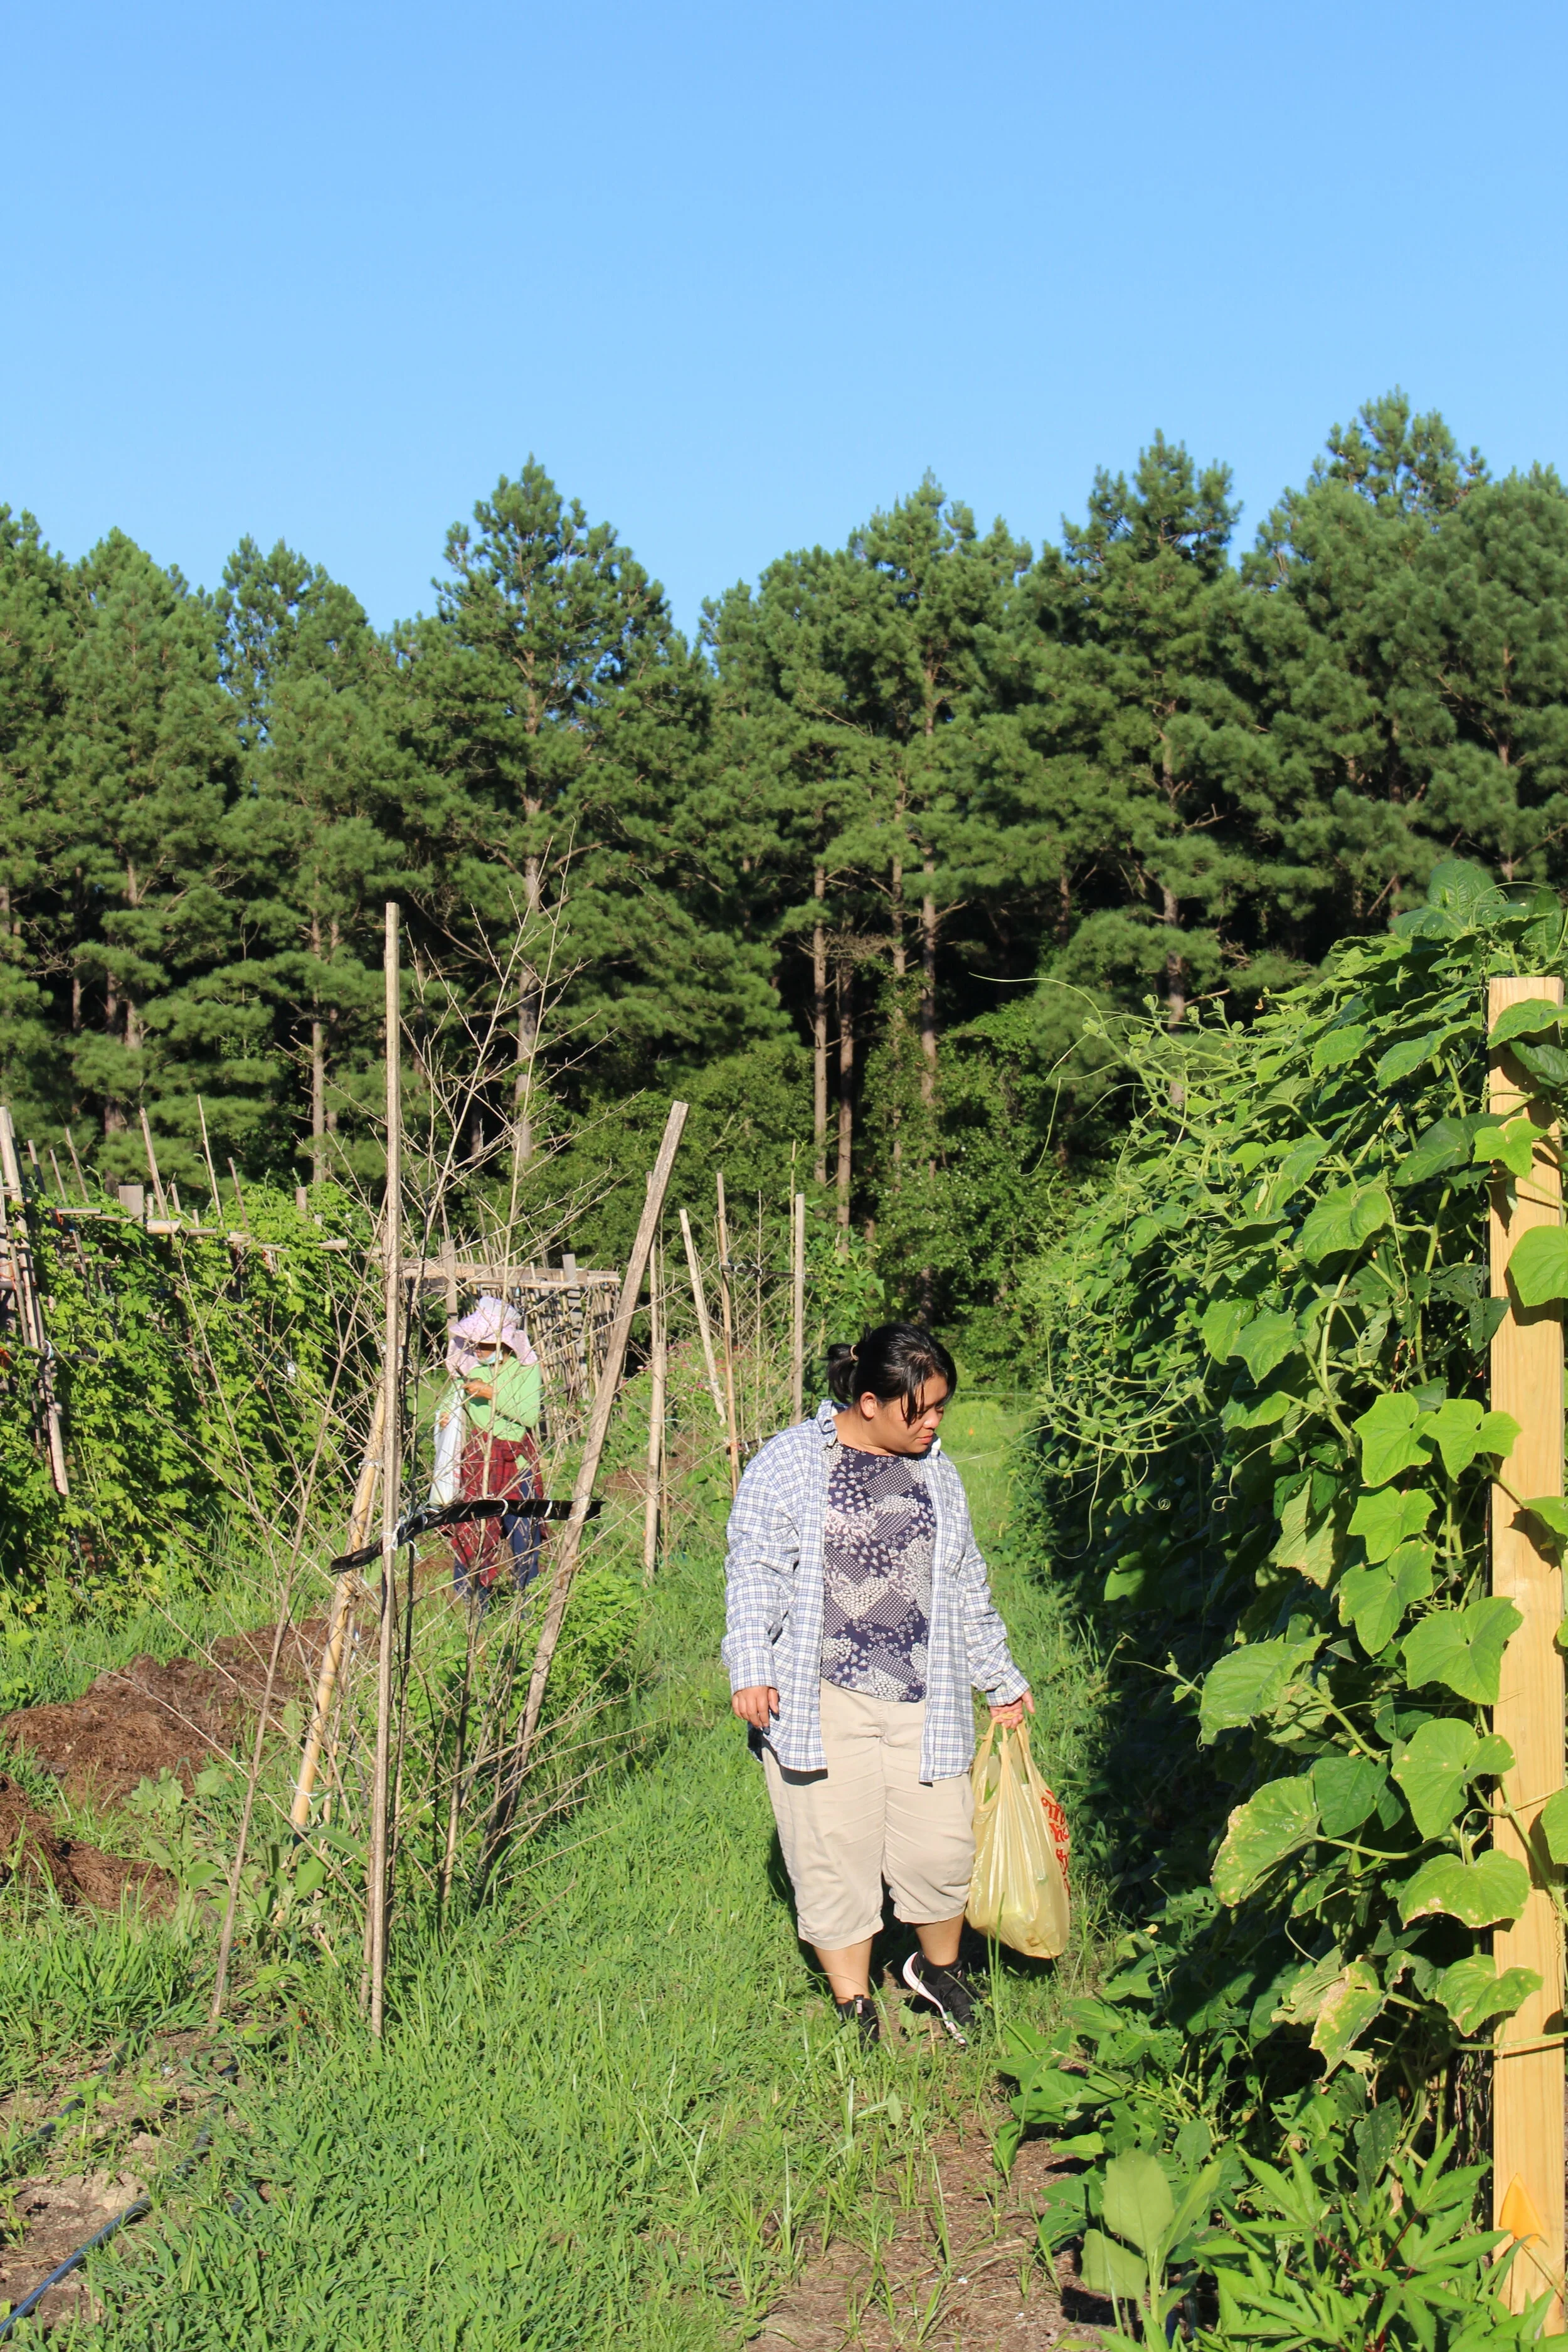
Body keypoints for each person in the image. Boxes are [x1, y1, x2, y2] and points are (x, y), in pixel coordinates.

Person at [723, 1321, 1033, 2047]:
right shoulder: (791, 1464)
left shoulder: (937, 1472)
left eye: (939, 1410)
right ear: (868, 1401)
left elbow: (965, 1583)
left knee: (942, 1846)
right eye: (916, 1411)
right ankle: (853, 2000)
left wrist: (1001, 1679)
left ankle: (937, 1969)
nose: (931, 1424)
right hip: (819, 1693)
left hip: (924, 1691)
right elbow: (755, 1568)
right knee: (832, 1849)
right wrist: (751, 1666)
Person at [435, 1295, 546, 1600]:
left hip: (516, 1462)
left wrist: (492, 1394)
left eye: (485, 1344)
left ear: (505, 1343)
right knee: (473, 1534)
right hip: (479, 1461)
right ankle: (470, 1602)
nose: (478, 1350)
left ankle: (528, 1602)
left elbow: (529, 1414)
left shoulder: (526, 1371)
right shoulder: (474, 1368)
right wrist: (446, 1414)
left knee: (524, 1537)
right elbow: (454, 1401)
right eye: (476, 1344)